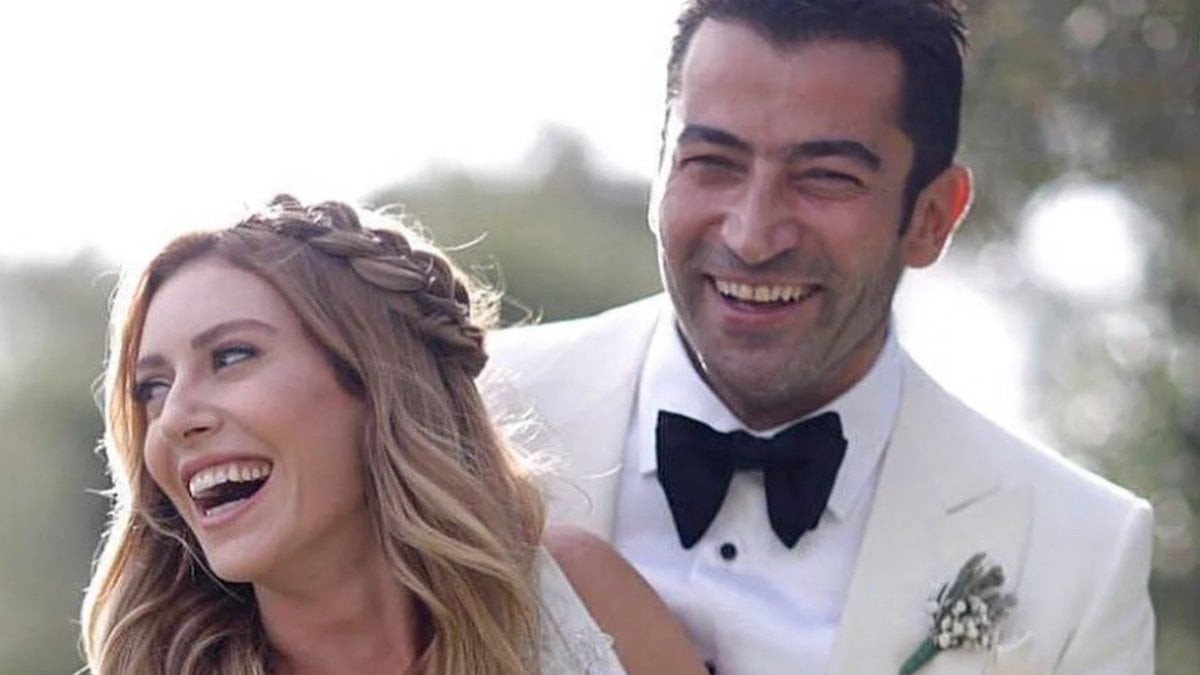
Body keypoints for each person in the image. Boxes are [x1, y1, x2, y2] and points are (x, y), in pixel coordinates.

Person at [483, 1, 1155, 673]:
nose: (752, 236)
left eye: (826, 178)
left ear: (932, 217)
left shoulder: (1082, 556)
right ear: (660, 170)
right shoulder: (468, 414)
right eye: (713, 162)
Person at [80, 195, 707, 675]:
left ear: (374, 382)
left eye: (231, 356)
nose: (174, 417)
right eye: (151, 388)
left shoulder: (578, 599)